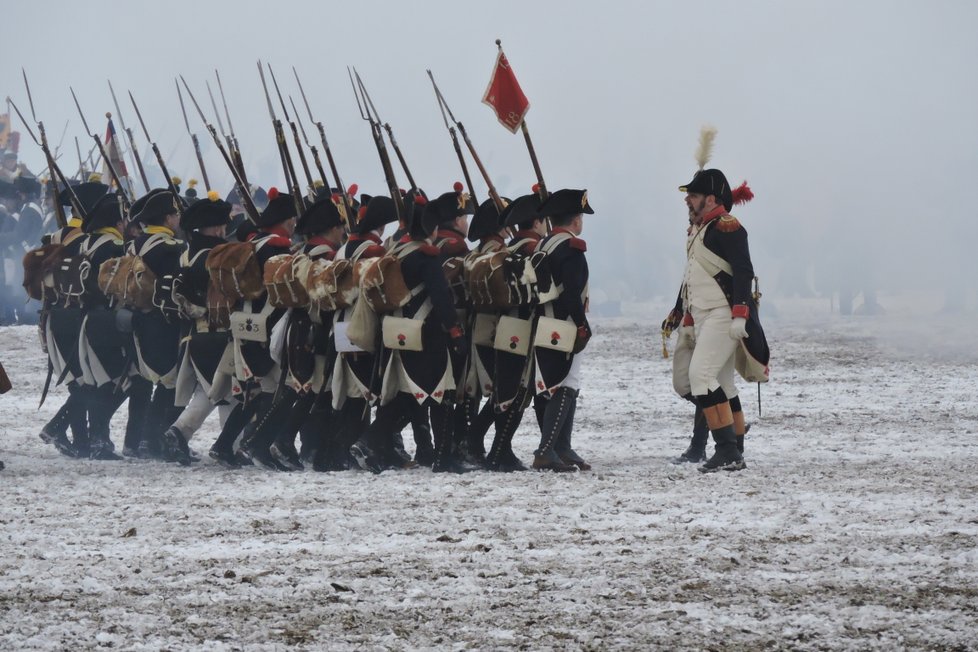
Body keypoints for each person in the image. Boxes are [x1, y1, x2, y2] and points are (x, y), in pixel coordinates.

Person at [348, 188, 469, 473]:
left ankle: (369, 441)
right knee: (440, 395)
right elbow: (440, 297)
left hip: (399, 329)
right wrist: (454, 330)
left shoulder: (398, 250)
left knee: (406, 396)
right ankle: (442, 458)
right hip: (425, 333)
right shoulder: (427, 256)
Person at [670, 168, 754, 472]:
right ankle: (737, 449)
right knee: (723, 384)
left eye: (693, 195)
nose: (688, 201)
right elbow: (693, 277)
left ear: (710, 198)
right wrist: (685, 315)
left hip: (722, 314)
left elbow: (743, 271)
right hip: (704, 316)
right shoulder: (701, 229)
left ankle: (727, 450)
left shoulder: (727, 227)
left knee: (701, 377)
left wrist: (740, 313)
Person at [530, 189, 594, 472]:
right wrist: (582, 324)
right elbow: (571, 294)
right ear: (576, 220)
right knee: (565, 384)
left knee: (560, 383)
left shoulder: (544, 244)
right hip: (564, 324)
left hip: (544, 321)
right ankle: (547, 450)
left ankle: (562, 447)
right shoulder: (571, 247)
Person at [484, 190, 547, 471]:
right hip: (523, 326)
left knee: (505, 390)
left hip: (504, 324)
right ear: (536, 223)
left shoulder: (508, 247)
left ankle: (499, 451)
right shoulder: (533, 250)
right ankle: (499, 452)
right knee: (518, 392)